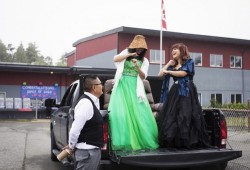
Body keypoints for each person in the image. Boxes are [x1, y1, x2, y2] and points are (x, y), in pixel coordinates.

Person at [108, 35, 159, 151]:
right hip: (122, 85)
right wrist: (129, 55)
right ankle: (123, 141)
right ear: (133, 47)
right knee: (121, 113)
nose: (139, 50)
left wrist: (137, 66)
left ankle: (142, 140)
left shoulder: (144, 61)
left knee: (139, 113)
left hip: (135, 87)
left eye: (141, 49)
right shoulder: (126, 53)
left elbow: (143, 76)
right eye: (137, 47)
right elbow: (115, 59)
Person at [157, 43, 210, 149]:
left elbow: (183, 73)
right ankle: (175, 143)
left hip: (186, 90)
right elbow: (160, 75)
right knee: (172, 117)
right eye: (172, 49)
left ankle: (187, 142)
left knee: (185, 115)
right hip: (175, 92)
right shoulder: (172, 66)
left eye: (175, 49)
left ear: (182, 51)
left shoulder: (189, 62)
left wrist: (169, 71)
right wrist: (168, 64)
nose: (173, 51)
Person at [63, 75, 104, 170]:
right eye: (100, 84)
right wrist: (71, 146)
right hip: (87, 152)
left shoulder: (93, 101)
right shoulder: (85, 103)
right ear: (94, 87)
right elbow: (75, 130)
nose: (102, 86)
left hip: (91, 151)